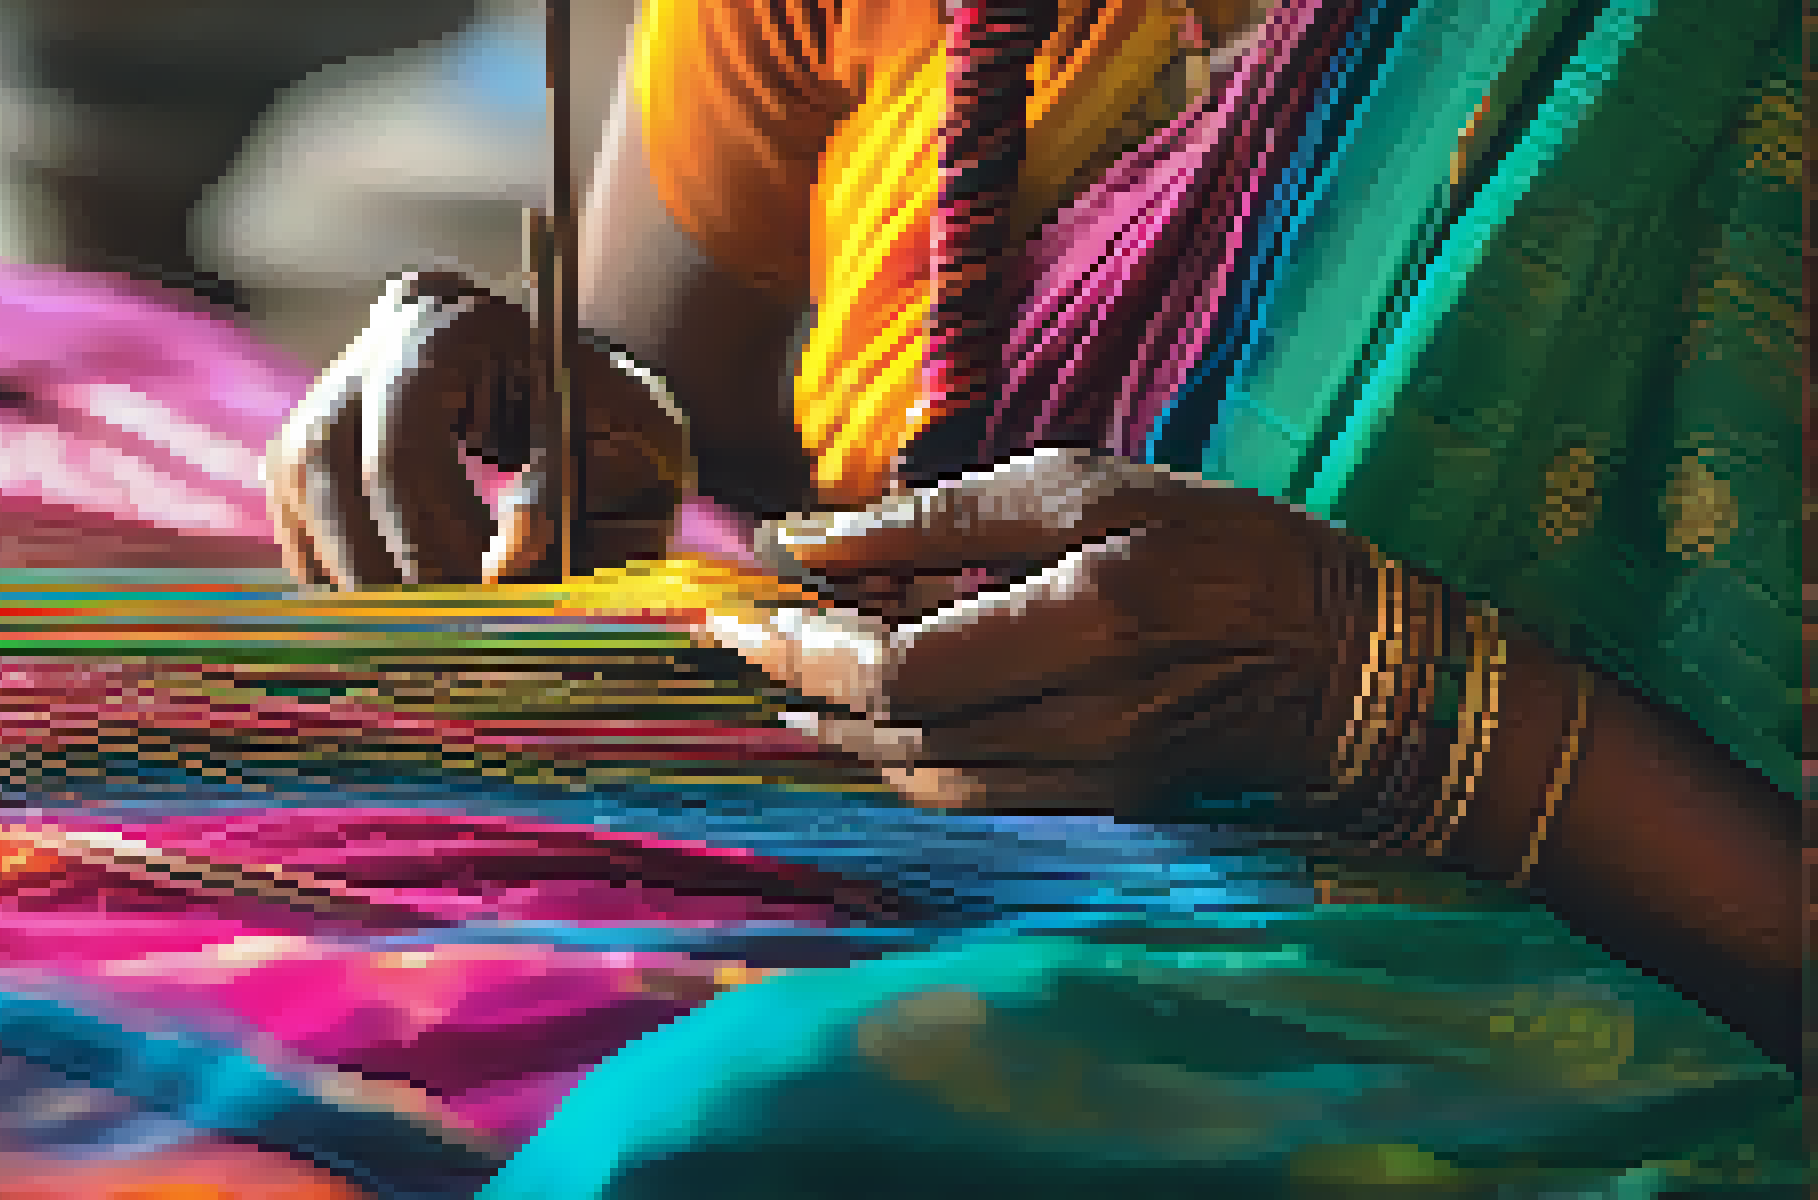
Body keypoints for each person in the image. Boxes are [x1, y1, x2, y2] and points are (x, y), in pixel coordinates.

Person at [268, 0, 1801, 1191]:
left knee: (745, 1129)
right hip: (911, 850)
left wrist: (1376, 690)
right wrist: (546, 417)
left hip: (1620, 954)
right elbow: (672, 410)